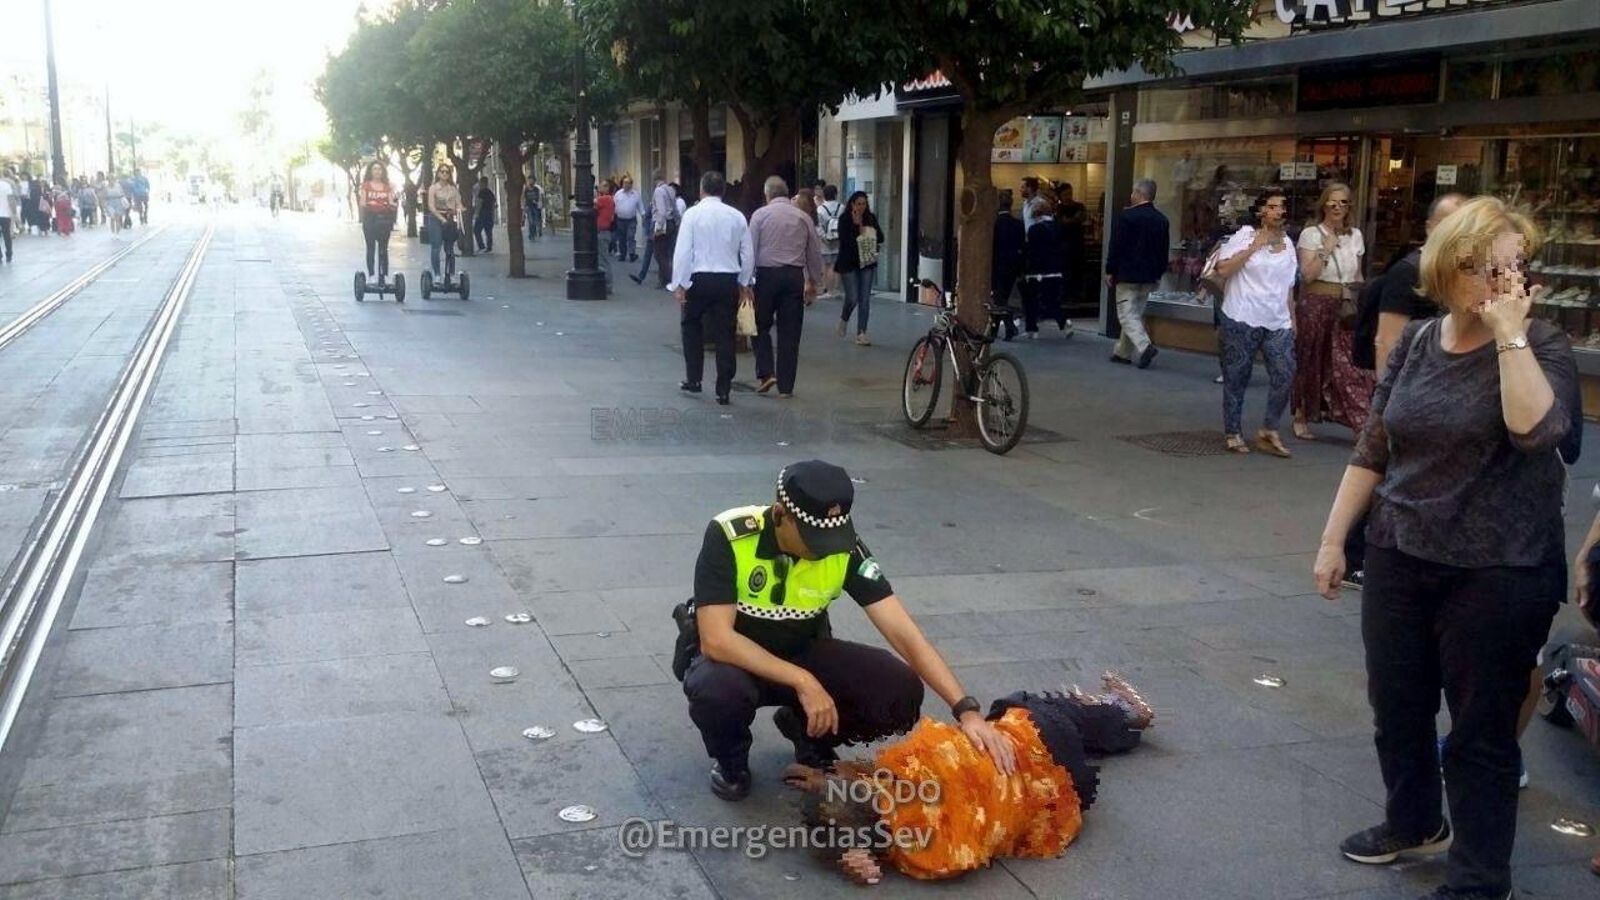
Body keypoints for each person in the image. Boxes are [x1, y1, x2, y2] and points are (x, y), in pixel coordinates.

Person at [1313, 197, 1575, 900]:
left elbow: (1537, 433)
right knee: (1396, 706)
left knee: (1481, 733)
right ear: (1446, 266)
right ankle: (1415, 822)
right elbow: (1375, 444)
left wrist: (1511, 335)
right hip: (1401, 553)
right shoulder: (1419, 343)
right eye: (1482, 267)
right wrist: (1336, 539)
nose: (1498, 280)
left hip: (1498, 571)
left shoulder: (1543, 345)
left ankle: (1480, 881)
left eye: (1512, 267)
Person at [680, 459, 1018, 801]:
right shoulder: (730, 535)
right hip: (736, 662)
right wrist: (802, 680)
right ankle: (731, 760)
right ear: (781, 515)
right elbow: (716, 640)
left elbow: (902, 631)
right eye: (814, 539)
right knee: (716, 689)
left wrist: (966, 710)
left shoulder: (841, 545)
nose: (825, 549)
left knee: (898, 689)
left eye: (831, 538)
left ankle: (809, 733)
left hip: (804, 648)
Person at [1214, 189, 1298, 456]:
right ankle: (1233, 431)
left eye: (1281, 207)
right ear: (1261, 211)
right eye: (1272, 206)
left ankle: (1269, 429)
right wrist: (1254, 246)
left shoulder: (1288, 243)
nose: (1278, 211)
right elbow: (1223, 269)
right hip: (1242, 315)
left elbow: (1289, 287)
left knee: (1285, 372)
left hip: (1277, 319)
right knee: (1237, 376)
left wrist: (1293, 319)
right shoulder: (1244, 236)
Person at [1294, 183, 1373, 440]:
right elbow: (1307, 276)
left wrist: (1363, 303)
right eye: (1333, 202)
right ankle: (1301, 413)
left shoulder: (1356, 235)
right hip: (1317, 301)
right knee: (1312, 358)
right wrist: (1325, 250)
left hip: (1346, 304)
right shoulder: (1311, 234)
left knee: (1348, 364)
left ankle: (1354, 419)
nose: (1338, 207)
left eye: (1343, 202)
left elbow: (1358, 273)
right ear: (1324, 204)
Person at [670, 171, 753, 405]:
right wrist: (744, 282)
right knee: (725, 332)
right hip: (727, 278)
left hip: (699, 277)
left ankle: (694, 378)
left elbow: (683, 251)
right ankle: (724, 387)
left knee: (691, 325)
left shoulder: (692, 214)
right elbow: (748, 253)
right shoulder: (736, 216)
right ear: (723, 191)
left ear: (701, 189)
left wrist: (679, 283)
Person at [1373, 193, 1468, 372]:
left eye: (1463, 225)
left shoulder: (1468, 272)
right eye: (1447, 223)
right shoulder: (1407, 272)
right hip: (1413, 382)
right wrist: (1387, 395)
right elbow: (1387, 342)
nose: (1455, 232)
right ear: (1429, 227)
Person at [749, 176, 824, 398]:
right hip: (793, 277)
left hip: (766, 276)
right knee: (790, 331)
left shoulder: (759, 215)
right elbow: (814, 252)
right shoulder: (803, 217)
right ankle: (786, 386)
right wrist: (813, 282)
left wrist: (745, 281)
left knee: (759, 325)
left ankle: (766, 372)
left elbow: (750, 250)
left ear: (767, 194)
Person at [1105, 178, 1169, 368]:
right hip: (1149, 275)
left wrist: (1110, 269)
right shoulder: (1161, 220)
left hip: (1127, 274)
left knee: (1126, 315)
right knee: (1134, 314)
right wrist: (1159, 271)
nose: (1131, 195)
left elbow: (1116, 246)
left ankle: (1145, 346)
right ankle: (1122, 352)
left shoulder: (1127, 217)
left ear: (1139, 194)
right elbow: (1163, 250)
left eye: (1133, 192)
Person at [834, 191, 882, 346]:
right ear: (852, 204)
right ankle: (844, 318)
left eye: (864, 203)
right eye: (859, 203)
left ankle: (861, 332)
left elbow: (880, 237)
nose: (861, 207)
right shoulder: (844, 219)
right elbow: (845, 241)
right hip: (848, 263)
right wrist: (856, 228)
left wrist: (865, 229)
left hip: (866, 262)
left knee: (865, 299)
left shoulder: (870, 218)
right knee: (852, 297)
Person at [1021, 196, 1068, 338]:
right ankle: (1064, 322)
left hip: (1037, 271)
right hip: (1055, 269)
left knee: (1031, 300)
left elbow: (1031, 251)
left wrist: (1026, 267)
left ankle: (1031, 328)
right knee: (1052, 300)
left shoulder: (1034, 229)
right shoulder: (1059, 228)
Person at [992, 189, 1025, 342]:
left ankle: (1008, 326)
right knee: (1002, 298)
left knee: (999, 299)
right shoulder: (1018, 224)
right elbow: (1022, 247)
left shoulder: (994, 225)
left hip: (997, 266)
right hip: (1012, 267)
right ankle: (997, 327)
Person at [359, 162, 399, 281]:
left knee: (383, 247)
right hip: (370, 219)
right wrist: (370, 205)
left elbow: (392, 202)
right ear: (371, 171)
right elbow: (362, 202)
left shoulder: (387, 187)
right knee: (371, 247)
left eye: (379, 169)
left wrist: (393, 201)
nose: (377, 171)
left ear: (383, 172)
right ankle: (371, 275)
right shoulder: (366, 185)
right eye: (375, 169)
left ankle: (383, 274)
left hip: (384, 219)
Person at [425, 163, 463, 279]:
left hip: (449, 218)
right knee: (436, 246)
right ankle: (437, 274)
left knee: (450, 248)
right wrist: (441, 219)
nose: (445, 174)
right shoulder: (433, 188)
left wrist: (459, 209)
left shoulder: (453, 189)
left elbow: (459, 204)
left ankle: (450, 274)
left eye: (447, 172)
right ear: (438, 174)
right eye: (442, 171)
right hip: (436, 219)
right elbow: (431, 206)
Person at [651, 170, 678, 289]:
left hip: (663, 223)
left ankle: (669, 277)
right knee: (667, 252)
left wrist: (659, 228)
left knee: (659, 253)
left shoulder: (658, 191)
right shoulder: (670, 189)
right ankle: (663, 280)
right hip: (672, 222)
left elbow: (661, 211)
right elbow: (675, 207)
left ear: (655, 179)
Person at [815, 185, 842, 299]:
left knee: (827, 266)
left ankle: (829, 290)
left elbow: (818, 226)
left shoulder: (820, 209)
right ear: (836, 194)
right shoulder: (842, 207)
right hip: (838, 239)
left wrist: (824, 237)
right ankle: (836, 289)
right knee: (836, 265)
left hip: (826, 241)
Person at [612, 174, 640, 261]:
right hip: (620, 219)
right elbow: (613, 205)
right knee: (622, 238)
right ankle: (623, 254)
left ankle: (632, 253)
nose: (626, 185)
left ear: (631, 184)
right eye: (624, 183)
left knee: (630, 236)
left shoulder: (635, 194)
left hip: (631, 219)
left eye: (628, 183)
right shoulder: (618, 194)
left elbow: (640, 205)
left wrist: (643, 215)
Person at [472, 175, 496, 253]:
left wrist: (476, 214)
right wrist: (492, 214)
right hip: (489, 213)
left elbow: (479, 203)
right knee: (488, 231)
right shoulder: (490, 192)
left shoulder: (481, 192)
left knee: (476, 230)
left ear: (482, 183)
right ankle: (489, 247)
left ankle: (481, 245)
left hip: (482, 213)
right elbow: (494, 204)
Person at [595, 178, 617, 259]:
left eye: (605, 186)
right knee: (602, 259)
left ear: (609, 189)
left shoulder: (606, 198)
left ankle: (607, 272)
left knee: (603, 260)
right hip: (603, 231)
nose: (601, 186)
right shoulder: (607, 198)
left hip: (602, 232)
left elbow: (591, 203)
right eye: (601, 184)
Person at [0, 167, 17, 263]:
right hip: (5, 213)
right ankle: (9, 254)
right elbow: (11, 200)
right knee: (7, 235)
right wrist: (14, 212)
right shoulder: (6, 185)